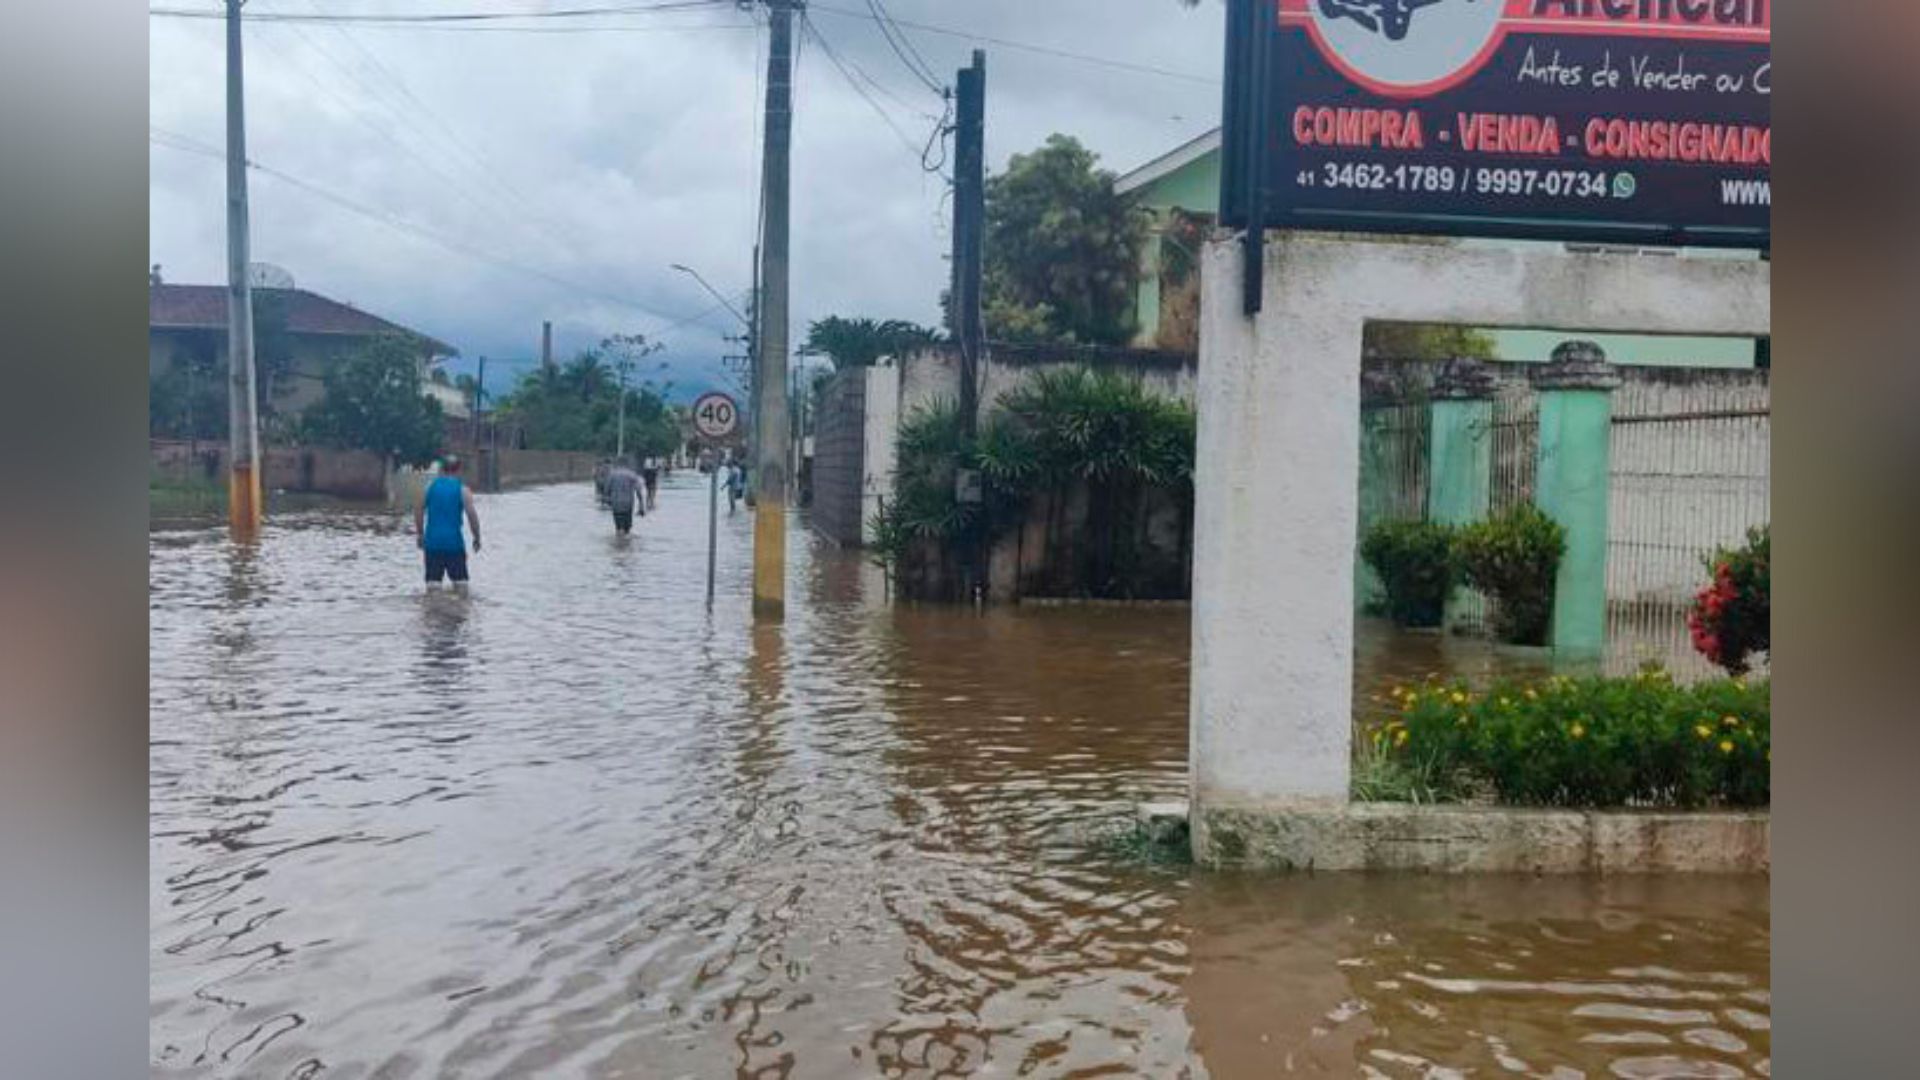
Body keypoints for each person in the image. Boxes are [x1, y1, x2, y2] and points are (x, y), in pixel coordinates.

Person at [415, 454, 481, 586]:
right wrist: (476, 537)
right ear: (458, 470)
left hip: (432, 544)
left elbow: (418, 511)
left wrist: (420, 534)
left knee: (433, 588)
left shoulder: (429, 488)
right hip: (454, 544)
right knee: (461, 588)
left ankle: (435, 606)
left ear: (441, 469)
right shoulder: (463, 490)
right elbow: (472, 515)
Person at [605, 460, 645, 535]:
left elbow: (607, 490)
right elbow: (638, 491)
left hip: (616, 504)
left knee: (618, 526)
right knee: (627, 528)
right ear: (627, 465)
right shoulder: (632, 475)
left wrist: (608, 501)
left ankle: (619, 543)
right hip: (628, 504)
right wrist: (641, 506)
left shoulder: (612, 475)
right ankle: (626, 543)